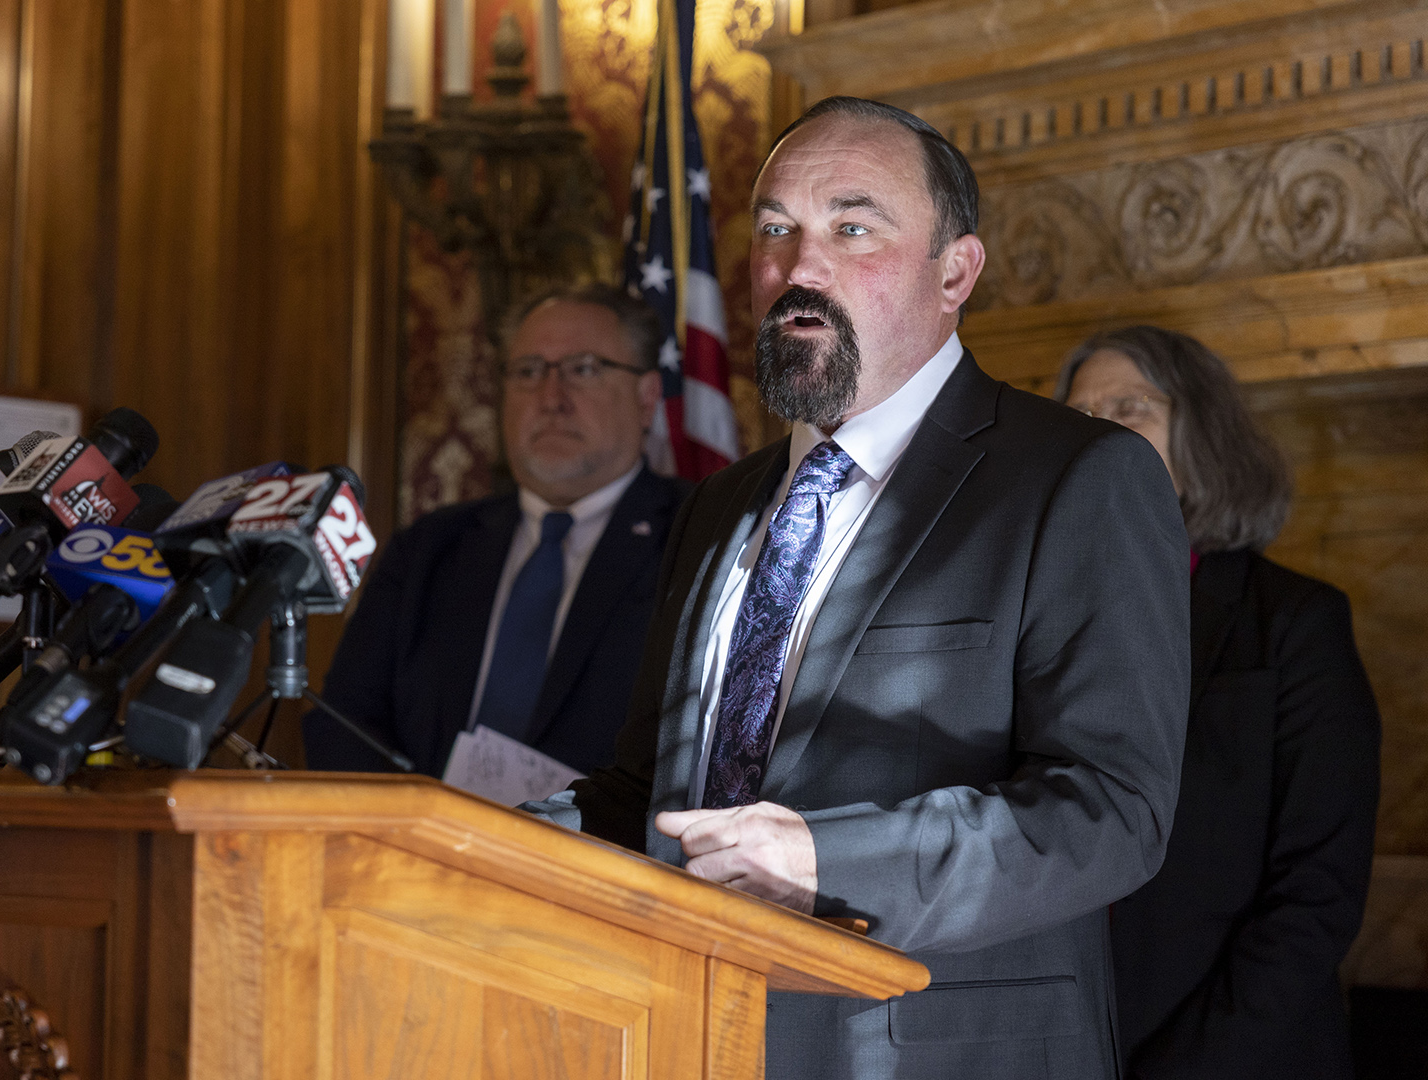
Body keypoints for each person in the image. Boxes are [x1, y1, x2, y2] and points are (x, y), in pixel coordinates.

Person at [528, 96, 1190, 1080]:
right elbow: (655, 792)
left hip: (934, 1051)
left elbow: (1110, 812)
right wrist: (487, 838)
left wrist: (821, 861)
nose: (800, 267)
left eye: (852, 226)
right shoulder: (717, 508)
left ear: (956, 270)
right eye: (776, 229)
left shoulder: (1078, 478)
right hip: (682, 1034)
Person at [1056, 325, 1380, 1080]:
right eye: (1080, 415)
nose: (1097, 431)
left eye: (1129, 408)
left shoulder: (1296, 623)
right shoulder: (1036, 625)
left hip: (1239, 1057)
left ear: (1202, 435)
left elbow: (1316, 897)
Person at [302, 284, 691, 783]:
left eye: (584, 370)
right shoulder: (428, 549)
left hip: (603, 855)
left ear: (646, 397)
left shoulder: (696, 538)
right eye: (529, 371)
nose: (552, 398)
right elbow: (344, 723)